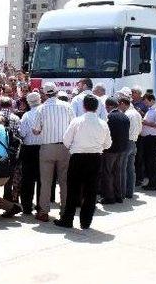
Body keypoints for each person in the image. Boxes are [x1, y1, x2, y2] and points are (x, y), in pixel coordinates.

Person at [54, 95, 111, 229]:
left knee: (73, 190)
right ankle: (85, 222)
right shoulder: (103, 123)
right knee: (91, 192)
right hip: (95, 158)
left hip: (78, 158)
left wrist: (75, 147)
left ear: (84, 106)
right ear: (97, 107)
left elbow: (66, 140)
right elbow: (108, 144)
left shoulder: (77, 121)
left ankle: (68, 219)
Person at [32, 82, 74, 222]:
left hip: (47, 147)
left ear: (44, 94)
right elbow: (74, 127)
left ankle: (43, 211)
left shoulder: (41, 109)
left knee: (46, 182)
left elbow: (36, 131)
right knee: (65, 181)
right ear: (56, 92)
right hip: (65, 147)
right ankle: (65, 211)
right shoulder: (67, 106)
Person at [100, 97, 130, 204]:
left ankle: (109, 197)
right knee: (117, 172)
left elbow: (105, 134)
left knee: (107, 173)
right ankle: (119, 196)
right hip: (122, 149)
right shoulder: (125, 116)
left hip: (110, 150)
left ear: (109, 106)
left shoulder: (109, 117)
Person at [18, 92, 42, 215]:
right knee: (42, 179)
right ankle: (40, 206)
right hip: (42, 148)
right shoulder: (45, 112)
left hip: (29, 149)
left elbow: (22, 133)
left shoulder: (27, 115)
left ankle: (27, 207)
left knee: (28, 179)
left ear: (28, 102)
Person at [141, 93, 156, 191]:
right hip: (149, 138)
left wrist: (146, 123)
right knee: (148, 162)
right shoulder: (151, 109)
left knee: (153, 162)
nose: (145, 104)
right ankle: (151, 183)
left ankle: (155, 185)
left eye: (146, 101)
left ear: (151, 100)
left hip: (155, 138)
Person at [119, 97, 142, 199]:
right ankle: (130, 192)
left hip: (126, 142)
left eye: (120, 105)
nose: (120, 108)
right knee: (131, 169)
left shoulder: (127, 114)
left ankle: (122, 193)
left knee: (123, 169)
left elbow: (124, 130)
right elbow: (140, 129)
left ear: (123, 103)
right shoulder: (137, 113)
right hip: (134, 142)